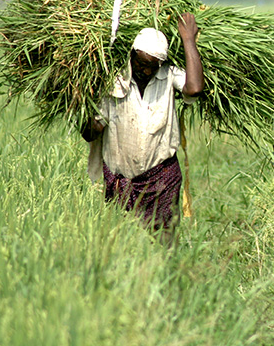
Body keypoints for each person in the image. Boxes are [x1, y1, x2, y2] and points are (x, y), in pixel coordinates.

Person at [81, 13, 204, 232]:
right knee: (120, 246)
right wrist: (87, 113)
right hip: (121, 182)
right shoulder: (113, 79)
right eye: (141, 64)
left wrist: (188, 40)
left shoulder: (168, 76)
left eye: (153, 66)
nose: (146, 71)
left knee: (165, 244)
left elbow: (194, 88)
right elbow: (90, 132)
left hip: (162, 180)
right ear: (131, 55)